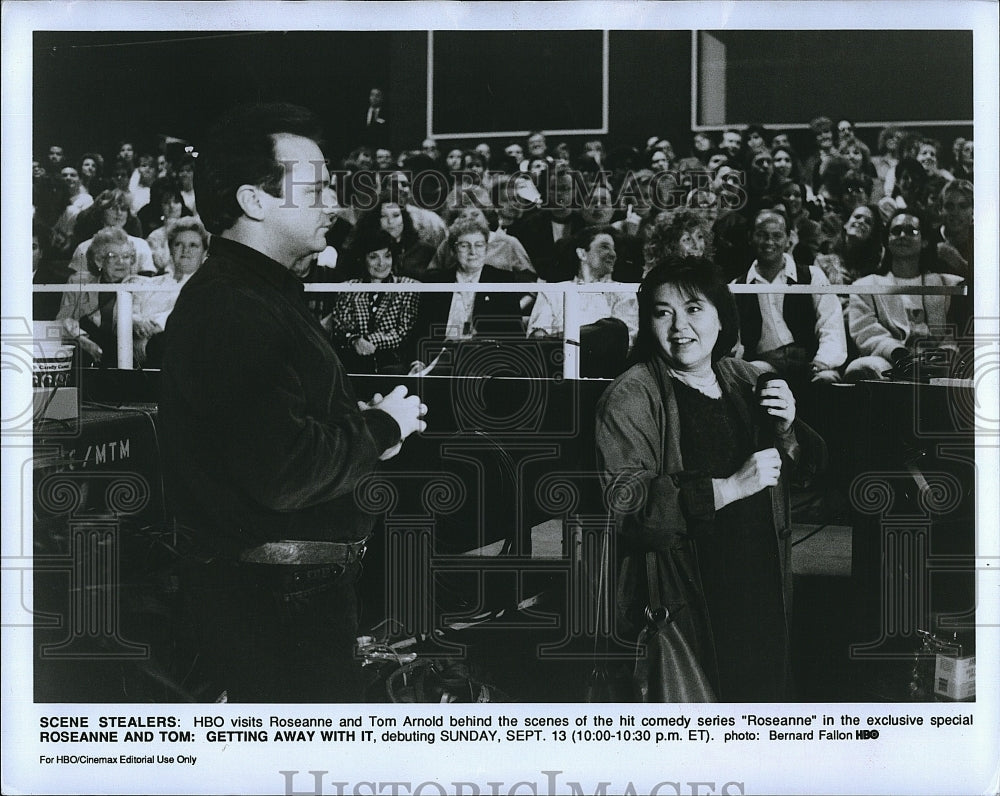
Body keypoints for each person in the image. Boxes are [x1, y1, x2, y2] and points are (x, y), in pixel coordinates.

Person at [159, 102, 427, 703]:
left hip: (289, 597)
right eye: (316, 187)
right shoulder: (234, 307)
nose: (333, 202)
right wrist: (383, 427)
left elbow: (270, 435)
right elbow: (282, 471)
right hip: (276, 611)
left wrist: (353, 429)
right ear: (255, 201)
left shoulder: (258, 295)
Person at [595, 257, 826, 701]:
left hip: (758, 587)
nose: (679, 326)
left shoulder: (744, 377)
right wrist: (729, 488)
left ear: (722, 319)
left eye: (694, 309)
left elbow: (813, 468)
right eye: (663, 312)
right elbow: (628, 509)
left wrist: (788, 428)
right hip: (687, 598)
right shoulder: (629, 396)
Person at [846, 209, 964, 382]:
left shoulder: (946, 284)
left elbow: (951, 333)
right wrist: (900, 355)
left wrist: (940, 356)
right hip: (889, 359)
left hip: (935, 361)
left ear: (924, 241)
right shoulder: (866, 286)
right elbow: (866, 332)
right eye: (896, 231)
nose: (902, 235)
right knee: (862, 367)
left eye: (911, 231)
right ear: (887, 240)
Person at [732, 210, 847, 387]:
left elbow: (831, 326)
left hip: (813, 362)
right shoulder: (738, 286)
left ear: (788, 239)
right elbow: (735, 342)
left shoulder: (812, 276)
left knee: (826, 382)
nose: (769, 242)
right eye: (761, 235)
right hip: (766, 364)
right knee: (752, 377)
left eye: (777, 235)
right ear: (750, 237)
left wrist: (820, 364)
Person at [527, 226, 638, 377]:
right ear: (582, 253)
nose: (613, 254)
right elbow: (537, 338)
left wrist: (564, 337)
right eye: (604, 247)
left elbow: (625, 341)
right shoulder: (554, 291)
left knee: (614, 330)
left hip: (603, 372)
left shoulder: (623, 292)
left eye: (614, 249)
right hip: (556, 368)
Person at [329, 229, 420, 374]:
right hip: (354, 364)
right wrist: (353, 340)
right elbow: (341, 328)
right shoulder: (348, 288)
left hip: (394, 365)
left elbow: (403, 333)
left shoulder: (409, 286)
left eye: (387, 256)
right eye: (373, 257)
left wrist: (364, 341)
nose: (381, 263)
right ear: (362, 259)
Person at [56, 227, 142, 367]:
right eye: (113, 256)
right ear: (99, 261)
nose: (121, 262)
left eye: (126, 256)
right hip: (85, 354)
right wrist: (83, 340)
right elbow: (62, 321)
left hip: (126, 357)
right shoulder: (78, 283)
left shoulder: (141, 285)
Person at [129, 217, 208, 366]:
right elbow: (131, 312)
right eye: (179, 244)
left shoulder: (205, 287)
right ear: (171, 249)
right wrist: (135, 321)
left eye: (193, 245)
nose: (186, 250)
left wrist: (154, 329)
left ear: (204, 252)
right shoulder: (151, 283)